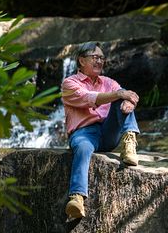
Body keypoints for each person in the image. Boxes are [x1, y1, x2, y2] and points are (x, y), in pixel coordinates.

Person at [60, 42, 141, 221]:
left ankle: (129, 142)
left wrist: (128, 102)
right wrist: (121, 95)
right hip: (83, 133)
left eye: (102, 58)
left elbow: (123, 93)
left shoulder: (109, 82)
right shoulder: (69, 83)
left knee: (122, 99)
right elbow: (90, 98)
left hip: (108, 132)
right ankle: (77, 198)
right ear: (81, 60)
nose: (100, 61)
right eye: (95, 57)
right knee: (82, 148)